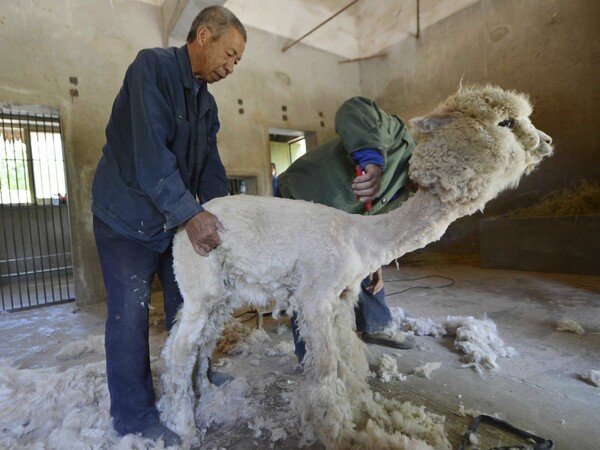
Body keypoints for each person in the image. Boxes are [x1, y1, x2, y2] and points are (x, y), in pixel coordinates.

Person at [91, 6, 246, 445]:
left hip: (170, 216)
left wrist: (222, 215)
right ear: (203, 36)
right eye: (230, 54)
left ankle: (197, 373)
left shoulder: (206, 103)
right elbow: (152, 161)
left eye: (238, 61)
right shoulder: (151, 68)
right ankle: (133, 415)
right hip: (125, 215)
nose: (231, 67)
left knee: (188, 301)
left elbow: (210, 168)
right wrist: (192, 215)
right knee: (130, 313)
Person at [277, 96, 417, 363]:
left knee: (362, 255)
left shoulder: (409, 194)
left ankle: (375, 325)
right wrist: (372, 161)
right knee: (309, 274)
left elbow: (373, 230)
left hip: (343, 217)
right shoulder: (397, 137)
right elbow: (353, 108)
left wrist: (376, 265)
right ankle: (311, 352)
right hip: (302, 194)